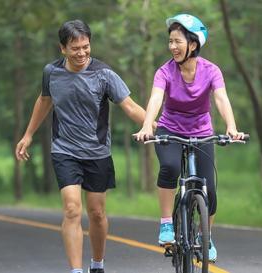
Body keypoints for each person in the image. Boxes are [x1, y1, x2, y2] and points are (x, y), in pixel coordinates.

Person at [15, 19, 146, 273]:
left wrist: (156, 126)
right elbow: (44, 101)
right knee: (72, 209)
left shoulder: (104, 74)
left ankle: (97, 264)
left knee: (96, 213)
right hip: (65, 150)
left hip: (97, 152)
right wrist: (28, 134)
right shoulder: (51, 73)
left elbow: (130, 106)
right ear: (62, 48)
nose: (82, 53)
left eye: (86, 47)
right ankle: (76, 270)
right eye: (75, 48)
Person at [133, 14, 245, 263]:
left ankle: (206, 236)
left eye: (177, 41)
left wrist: (231, 126)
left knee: (211, 191)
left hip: (201, 132)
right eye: (170, 41)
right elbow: (155, 98)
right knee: (170, 167)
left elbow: (221, 98)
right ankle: (165, 224)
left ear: (192, 44)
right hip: (169, 130)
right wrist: (146, 126)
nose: (172, 46)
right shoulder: (164, 71)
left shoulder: (211, 70)